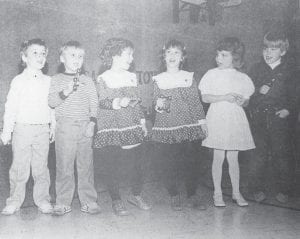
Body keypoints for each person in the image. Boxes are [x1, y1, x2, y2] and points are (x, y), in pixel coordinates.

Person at [93, 38, 151, 216]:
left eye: (132, 55)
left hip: (131, 124)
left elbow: (137, 102)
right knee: (113, 165)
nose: (132, 58)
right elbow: (102, 101)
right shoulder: (103, 78)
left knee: (137, 164)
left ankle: (136, 194)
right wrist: (118, 101)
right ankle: (116, 199)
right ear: (115, 56)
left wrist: (142, 122)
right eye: (128, 54)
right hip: (112, 125)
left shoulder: (132, 77)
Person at [151, 39, 208, 211]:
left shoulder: (188, 77)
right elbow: (156, 102)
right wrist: (159, 104)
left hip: (188, 126)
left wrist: (202, 122)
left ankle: (192, 194)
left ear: (183, 57)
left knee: (191, 162)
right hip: (167, 126)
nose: (172, 56)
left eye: (176, 52)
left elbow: (195, 102)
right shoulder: (158, 79)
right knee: (169, 163)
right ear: (164, 56)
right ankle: (173, 194)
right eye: (169, 52)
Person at [1, 38, 55, 215]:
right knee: (19, 167)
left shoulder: (49, 81)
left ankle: (43, 200)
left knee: (41, 168)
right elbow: (11, 107)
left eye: (43, 53)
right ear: (24, 57)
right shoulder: (18, 81)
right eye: (35, 53)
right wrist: (7, 131)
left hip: (42, 129)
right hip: (22, 129)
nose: (40, 56)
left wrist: (52, 125)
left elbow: (52, 105)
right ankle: (14, 201)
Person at [199, 37, 255, 207]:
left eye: (224, 55)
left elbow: (246, 100)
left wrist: (241, 101)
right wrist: (224, 97)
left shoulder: (242, 77)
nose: (219, 58)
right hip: (218, 117)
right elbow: (205, 97)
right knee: (218, 157)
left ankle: (236, 193)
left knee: (233, 157)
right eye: (217, 55)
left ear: (235, 57)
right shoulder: (211, 74)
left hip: (235, 119)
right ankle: (217, 194)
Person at [48, 41, 100, 215]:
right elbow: (51, 101)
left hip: (85, 126)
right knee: (64, 166)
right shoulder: (56, 80)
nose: (77, 59)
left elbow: (94, 102)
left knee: (86, 166)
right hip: (65, 127)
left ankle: (89, 200)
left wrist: (92, 123)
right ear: (62, 58)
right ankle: (63, 201)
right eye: (72, 55)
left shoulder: (87, 80)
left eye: (80, 56)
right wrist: (66, 91)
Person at [248, 29, 295, 204]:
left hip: (279, 119)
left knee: (281, 156)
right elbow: (248, 93)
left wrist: (288, 109)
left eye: (273, 49)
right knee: (257, 156)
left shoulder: (290, 70)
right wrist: (257, 92)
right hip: (259, 118)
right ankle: (256, 188)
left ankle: (285, 189)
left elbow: (295, 95)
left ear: (283, 51)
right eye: (266, 48)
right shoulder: (256, 69)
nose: (268, 52)